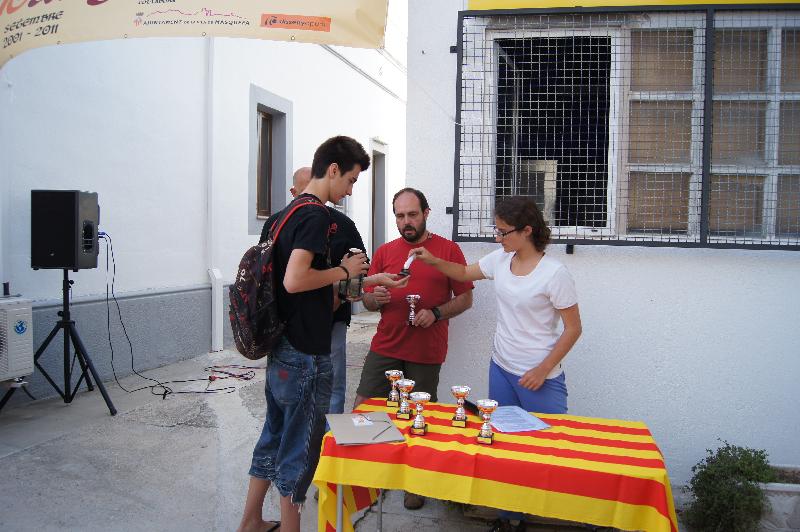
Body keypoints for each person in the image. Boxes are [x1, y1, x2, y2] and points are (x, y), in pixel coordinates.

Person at [237, 136, 407, 532]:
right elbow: (296, 280)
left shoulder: (282, 215)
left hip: (280, 348)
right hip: (306, 353)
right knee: (301, 448)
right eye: (350, 180)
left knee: (273, 435)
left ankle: (250, 522)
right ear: (332, 170)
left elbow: (289, 284)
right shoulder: (317, 217)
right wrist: (346, 271)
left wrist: (366, 277)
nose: (349, 191)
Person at [410, 196, 582, 532]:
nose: (497, 238)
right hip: (501, 368)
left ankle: (542, 513)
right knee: (502, 447)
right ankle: (508, 520)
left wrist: (543, 370)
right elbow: (461, 272)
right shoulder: (501, 259)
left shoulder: (555, 274)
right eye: (497, 230)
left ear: (527, 230)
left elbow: (573, 329)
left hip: (540, 378)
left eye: (503, 232)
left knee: (543, 450)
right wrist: (431, 260)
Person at [355, 187, 474, 510]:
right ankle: (368, 477)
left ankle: (414, 483)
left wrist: (435, 313)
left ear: (426, 213)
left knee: (421, 418)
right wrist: (373, 298)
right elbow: (365, 299)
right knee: (365, 407)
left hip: (426, 350)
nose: (406, 221)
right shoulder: (385, 251)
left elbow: (466, 298)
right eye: (399, 215)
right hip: (386, 345)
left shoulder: (447, 251)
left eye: (412, 214)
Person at [261, 167, 366, 416]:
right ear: (294, 191)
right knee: (292, 404)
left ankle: (329, 445)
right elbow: (277, 277)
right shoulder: (277, 221)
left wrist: (341, 293)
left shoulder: (341, 223)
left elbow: (359, 267)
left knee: (328, 389)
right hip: (288, 326)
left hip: (330, 320)